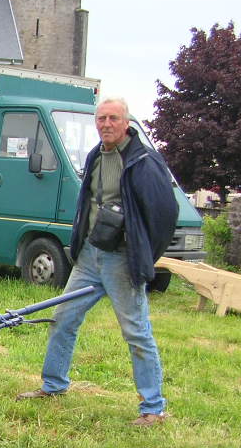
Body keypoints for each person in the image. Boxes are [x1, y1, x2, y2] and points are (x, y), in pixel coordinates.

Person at [16, 98, 179, 425]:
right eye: (101, 118)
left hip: (121, 259)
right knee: (63, 318)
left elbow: (165, 213)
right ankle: (54, 385)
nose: (106, 124)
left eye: (113, 118)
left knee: (136, 332)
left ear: (126, 121)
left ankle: (153, 408)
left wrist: (143, 253)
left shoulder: (144, 161)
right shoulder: (95, 155)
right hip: (90, 255)